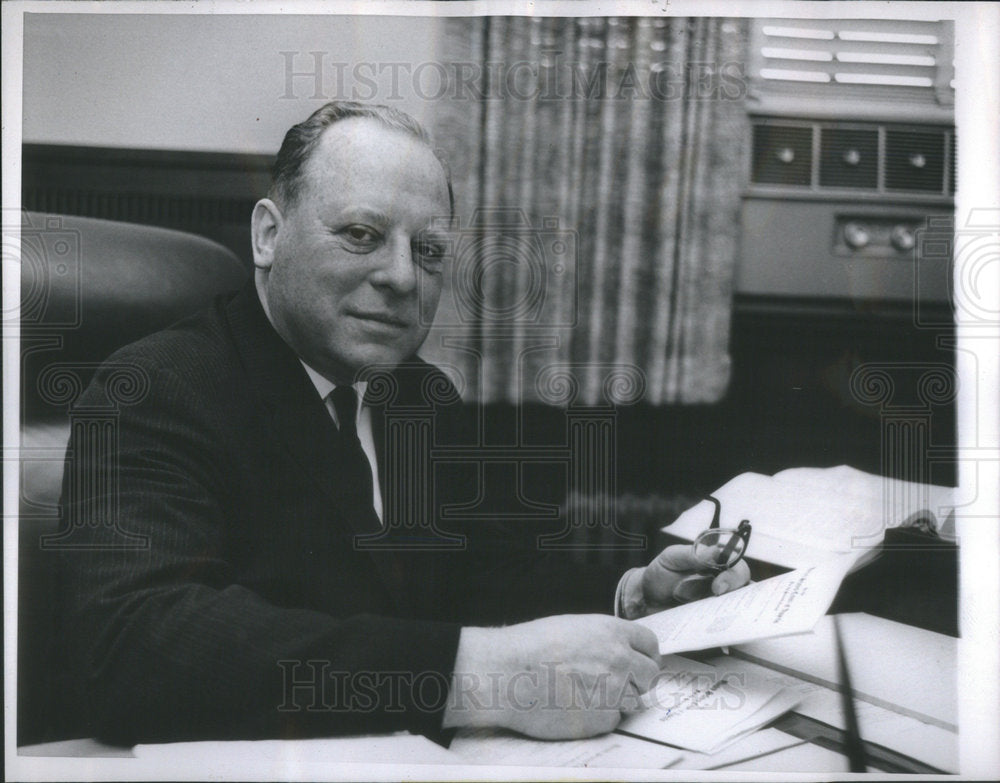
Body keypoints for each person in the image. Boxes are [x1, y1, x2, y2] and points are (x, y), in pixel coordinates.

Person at [58, 101, 750, 745]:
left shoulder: (418, 396)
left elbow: (482, 577)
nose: (401, 277)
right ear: (269, 234)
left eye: (428, 251)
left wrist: (633, 598)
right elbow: (135, 650)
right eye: (362, 234)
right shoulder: (153, 387)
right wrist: (479, 675)